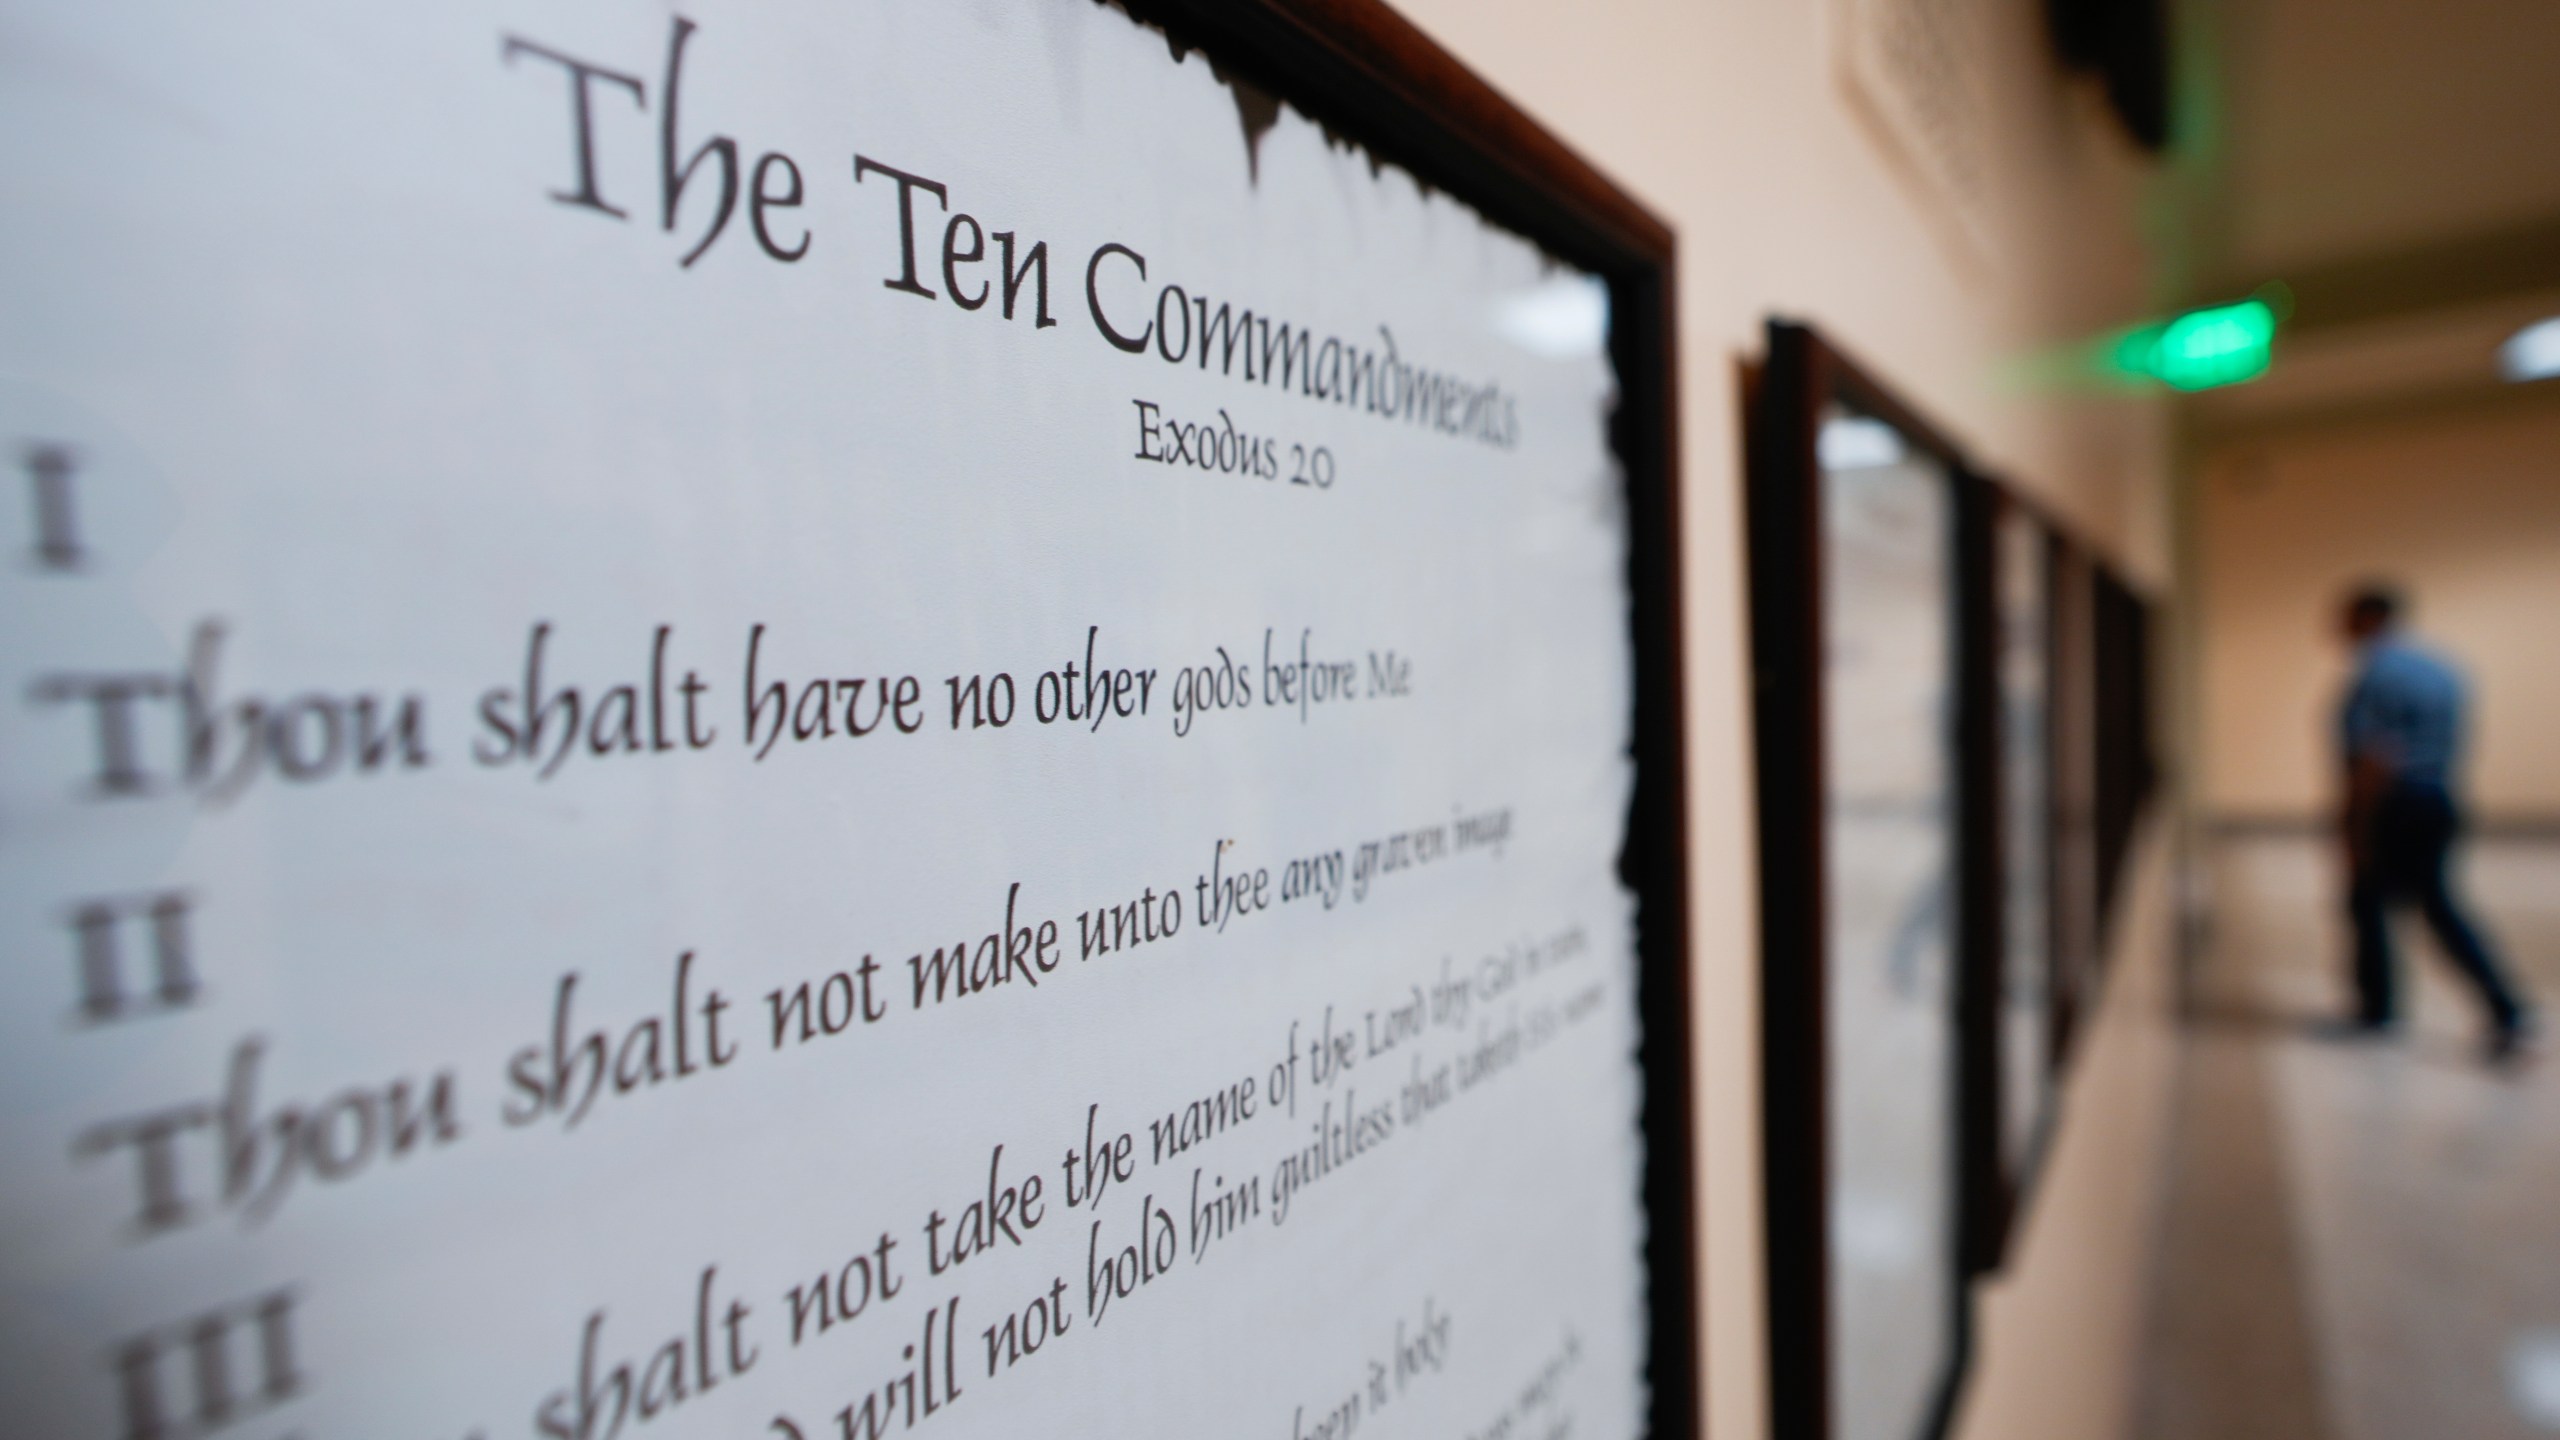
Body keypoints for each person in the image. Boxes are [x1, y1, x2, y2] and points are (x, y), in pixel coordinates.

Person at [2334, 583, 2534, 1062]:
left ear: (2368, 617)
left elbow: (2376, 756)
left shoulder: (2376, 672)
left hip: (2394, 805)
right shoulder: (2441, 667)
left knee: (2401, 903)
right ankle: (2386, 1007)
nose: (2337, 629)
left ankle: (2499, 1010)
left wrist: (2356, 826)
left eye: (2345, 618)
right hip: (2437, 799)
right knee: (2412, 904)